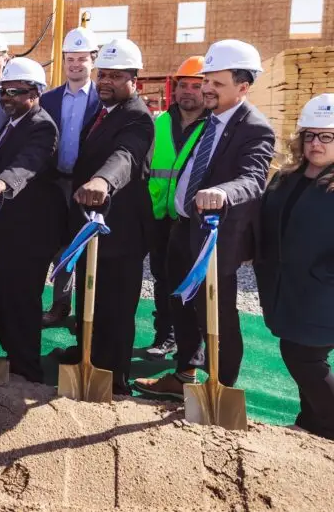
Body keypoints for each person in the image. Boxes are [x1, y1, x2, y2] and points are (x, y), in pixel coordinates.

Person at [134, 40, 275, 398]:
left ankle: (220, 389)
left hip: (214, 237)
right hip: (183, 229)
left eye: (217, 83)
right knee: (180, 304)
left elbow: (253, 178)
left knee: (217, 313)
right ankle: (184, 377)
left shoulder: (254, 128)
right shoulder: (211, 119)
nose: (207, 88)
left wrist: (224, 193)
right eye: (206, 80)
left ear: (243, 87)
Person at [56, 38, 154, 395]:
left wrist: (102, 181)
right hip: (91, 227)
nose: (106, 81)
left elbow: (126, 156)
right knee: (89, 294)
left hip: (120, 231)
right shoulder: (104, 111)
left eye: (116, 75)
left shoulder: (138, 118)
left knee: (115, 305)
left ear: (134, 80)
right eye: (104, 74)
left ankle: (114, 374)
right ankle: (87, 352)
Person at [0, 57, 62, 382]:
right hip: (7, 229)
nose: (6, 97)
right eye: (3, 91)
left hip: (31, 232)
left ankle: (28, 369)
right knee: (5, 298)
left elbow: (28, 163)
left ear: (36, 92)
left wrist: (2, 183)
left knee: (22, 302)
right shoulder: (12, 124)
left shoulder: (41, 125)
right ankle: (12, 359)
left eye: (15, 91)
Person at [256, 94, 334, 440]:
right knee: (296, 349)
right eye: (310, 135)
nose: (316, 143)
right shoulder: (287, 176)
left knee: (304, 357)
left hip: (322, 291)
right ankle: (312, 422)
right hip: (286, 285)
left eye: (327, 136)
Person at [144, 56, 208, 358]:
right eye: (183, 85)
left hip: (192, 220)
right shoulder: (162, 122)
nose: (188, 92)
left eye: (196, 86)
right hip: (160, 216)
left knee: (191, 285)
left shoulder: (212, 126)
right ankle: (165, 336)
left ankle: (193, 349)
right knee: (162, 279)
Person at [40, 26, 102, 327]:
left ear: (93, 59)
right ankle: (59, 305)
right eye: (70, 59)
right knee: (56, 245)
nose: (75, 65)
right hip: (54, 183)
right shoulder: (49, 100)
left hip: (90, 188)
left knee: (87, 248)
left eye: (81, 59)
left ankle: (85, 312)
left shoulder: (104, 102)